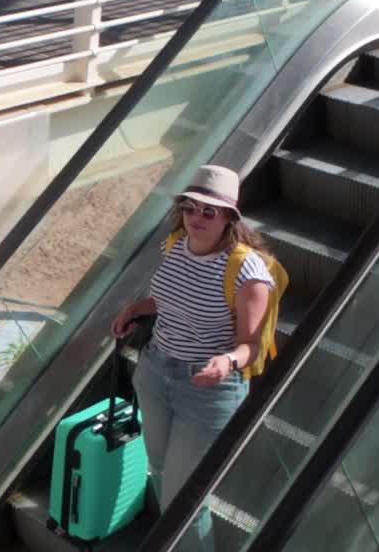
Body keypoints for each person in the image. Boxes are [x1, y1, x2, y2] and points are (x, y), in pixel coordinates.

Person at [112, 165, 273, 552]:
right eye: (189, 207)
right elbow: (171, 299)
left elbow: (251, 345)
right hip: (155, 371)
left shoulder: (247, 272)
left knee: (183, 501)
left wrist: (227, 362)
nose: (196, 217)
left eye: (209, 211)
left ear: (229, 217)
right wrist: (136, 308)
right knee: (158, 469)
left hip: (207, 392)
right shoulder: (176, 244)